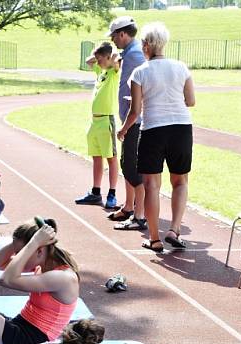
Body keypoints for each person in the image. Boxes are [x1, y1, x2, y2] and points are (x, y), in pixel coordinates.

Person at [118, 22, 195, 252]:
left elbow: (135, 111)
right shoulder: (181, 67)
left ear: (147, 45)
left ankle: (154, 239)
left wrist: (123, 130)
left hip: (153, 130)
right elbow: (190, 101)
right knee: (180, 181)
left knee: (151, 185)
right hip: (181, 128)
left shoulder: (140, 72)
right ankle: (174, 229)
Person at [106, 16, 148, 231]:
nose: (112, 40)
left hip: (135, 121)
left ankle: (139, 215)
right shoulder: (129, 54)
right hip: (130, 119)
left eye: (114, 35)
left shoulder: (136, 55)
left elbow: (143, 87)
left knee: (133, 168)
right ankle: (129, 206)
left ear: (122, 34)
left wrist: (130, 120)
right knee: (127, 164)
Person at [74, 42, 120, 209]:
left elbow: (116, 61)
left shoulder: (114, 72)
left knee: (111, 158)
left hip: (106, 121)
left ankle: (112, 193)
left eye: (101, 59)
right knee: (96, 157)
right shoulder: (101, 71)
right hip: (94, 122)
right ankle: (95, 192)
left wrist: (110, 56)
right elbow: (88, 61)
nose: (98, 62)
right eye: (99, 59)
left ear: (108, 58)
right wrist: (99, 55)